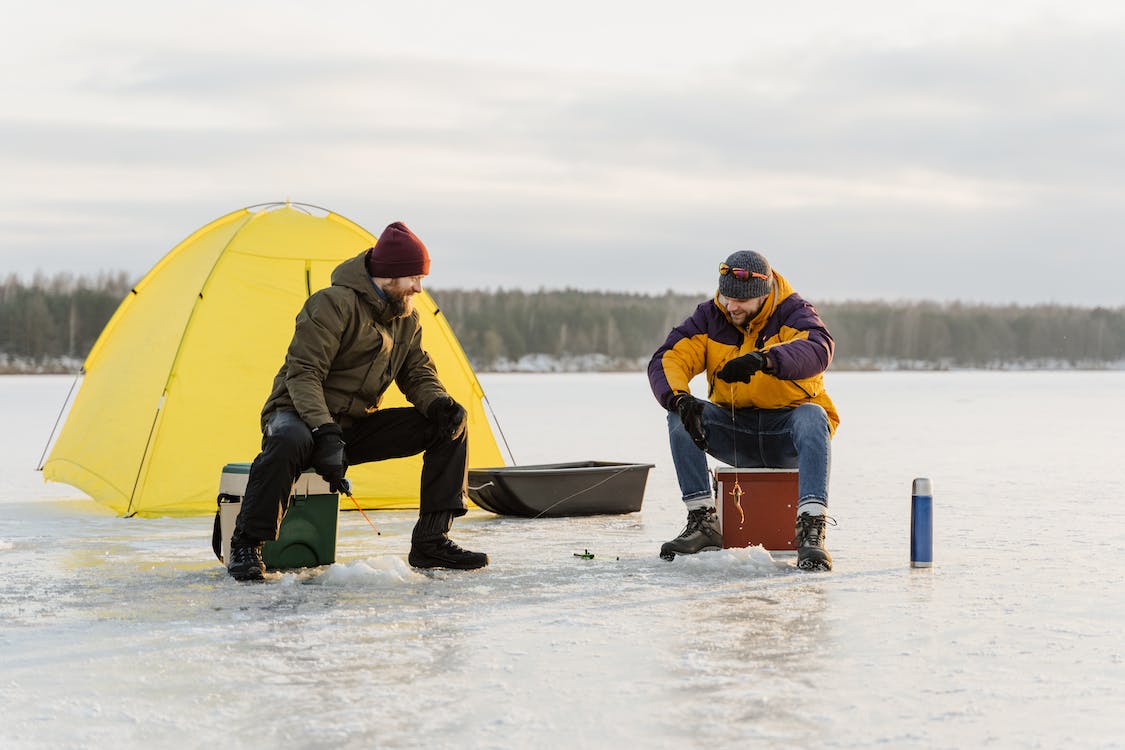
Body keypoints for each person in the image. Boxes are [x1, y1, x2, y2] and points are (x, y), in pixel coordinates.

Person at [227, 221, 488, 581]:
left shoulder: (406, 319)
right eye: (413, 277)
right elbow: (303, 375)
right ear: (390, 276)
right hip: (297, 415)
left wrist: (439, 403)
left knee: (447, 427)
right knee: (290, 441)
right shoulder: (331, 305)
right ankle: (246, 544)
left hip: (352, 426)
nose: (419, 287)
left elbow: (417, 373)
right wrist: (324, 430)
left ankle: (431, 541)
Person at [648, 250, 840, 571]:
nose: (731, 306)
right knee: (679, 414)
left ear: (764, 296)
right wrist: (680, 398)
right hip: (736, 432)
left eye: (740, 301)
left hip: (786, 435)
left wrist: (765, 360)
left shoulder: (793, 312)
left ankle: (810, 529)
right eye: (726, 297)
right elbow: (669, 357)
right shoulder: (710, 316)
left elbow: (818, 349)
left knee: (813, 415)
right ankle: (703, 522)